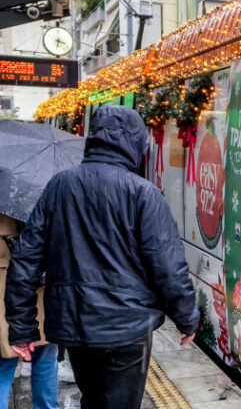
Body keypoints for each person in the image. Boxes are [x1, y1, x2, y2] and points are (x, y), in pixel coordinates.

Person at [4, 106, 199, 409]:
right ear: (135, 144)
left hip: (75, 324)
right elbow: (169, 268)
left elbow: (26, 261)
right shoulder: (144, 194)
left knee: (92, 399)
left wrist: (22, 328)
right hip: (127, 329)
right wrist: (187, 318)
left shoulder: (59, 186)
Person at [0, 214, 57, 409]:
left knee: (4, 360)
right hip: (33, 282)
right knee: (45, 354)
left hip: (7, 284)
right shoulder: (31, 201)